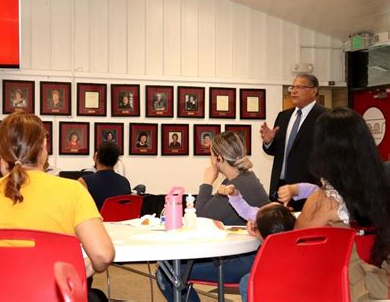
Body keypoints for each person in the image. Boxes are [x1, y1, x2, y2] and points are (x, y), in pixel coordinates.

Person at [0, 111, 115, 301]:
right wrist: (87, 266)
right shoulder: (72, 190)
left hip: (2, 295)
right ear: (44, 146)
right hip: (53, 295)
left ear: (2, 153)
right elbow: (103, 255)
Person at [157, 131, 270, 301]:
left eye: (211, 155)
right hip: (255, 253)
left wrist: (207, 182)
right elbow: (210, 210)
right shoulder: (247, 178)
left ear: (219, 159)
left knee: (167, 272)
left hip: (247, 260)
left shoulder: (235, 186)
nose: (210, 160)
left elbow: (201, 218)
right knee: (174, 266)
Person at [291, 107, 389, 301]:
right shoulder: (382, 187)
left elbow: (297, 247)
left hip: (347, 288)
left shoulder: (326, 199)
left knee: (248, 281)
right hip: (383, 281)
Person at [260, 73, 327, 211]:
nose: (294, 91)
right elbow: (275, 151)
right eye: (292, 87)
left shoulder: (325, 117)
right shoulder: (283, 116)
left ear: (314, 91)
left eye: (300, 87)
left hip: (307, 189)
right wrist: (269, 142)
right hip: (280, 187)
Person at [78, 141, 131, 210]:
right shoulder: (125, 182)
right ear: (116, 161)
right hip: (121, 220)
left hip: (96, 220)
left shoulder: (83, 182)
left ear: (96, 157)